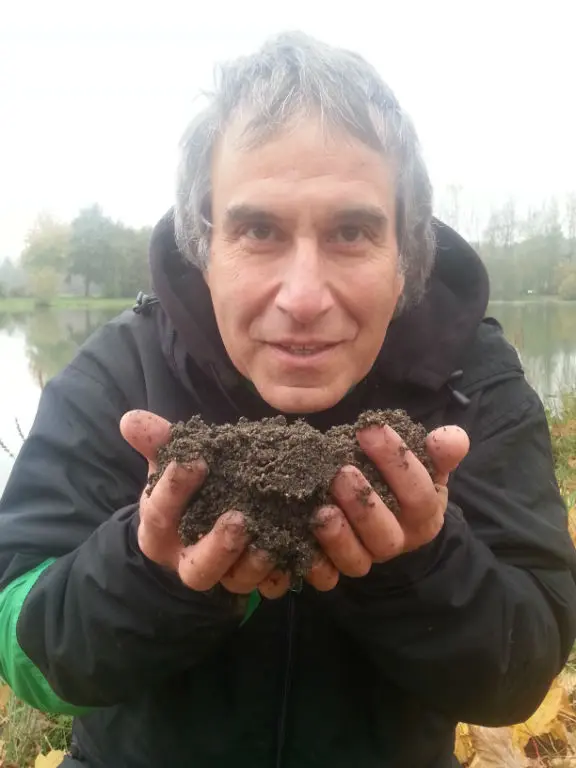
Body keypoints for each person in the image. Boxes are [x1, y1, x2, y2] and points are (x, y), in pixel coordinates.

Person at [0, 32, 574, 768]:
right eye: (259, 230)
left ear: (406, 255)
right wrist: (151, 578)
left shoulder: (473, 380)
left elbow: (526, 672)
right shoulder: (121, 370)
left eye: (351, 232)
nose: (303, 299)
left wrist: (421, 566)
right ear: (204, 245)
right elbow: (21, 652)